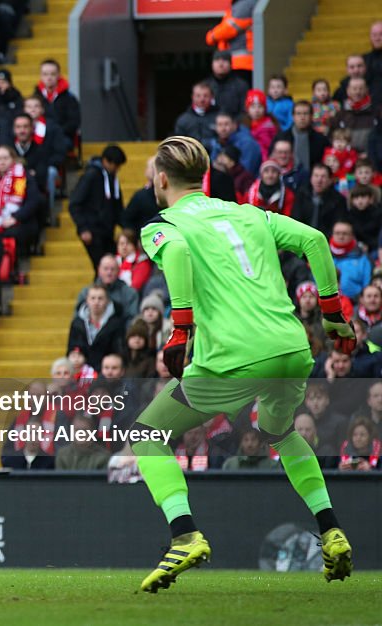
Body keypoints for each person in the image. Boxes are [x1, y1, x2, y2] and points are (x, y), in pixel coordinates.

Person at [131, 136, 353, 593]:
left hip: (234, 357)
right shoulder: (250, 212)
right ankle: (331, 530)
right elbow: (313, 240)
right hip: (291, 348)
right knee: (280, 432)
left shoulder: (164, 223)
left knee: (145, 436)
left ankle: (184, 535)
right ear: (204, 177)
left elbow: (175, 254)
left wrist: (179, 329)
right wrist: (333, 316)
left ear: (162, 179)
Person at [69, 145, 127, 271]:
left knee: (108, 266)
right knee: (103, 267)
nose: (117, 169)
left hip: (106, 231)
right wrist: (83, 228)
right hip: (92, 231)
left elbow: (117, 208)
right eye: (115, 165)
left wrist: (127, 227)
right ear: (106, 161)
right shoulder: (90, 176)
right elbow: (74, 203)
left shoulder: (112, 180)